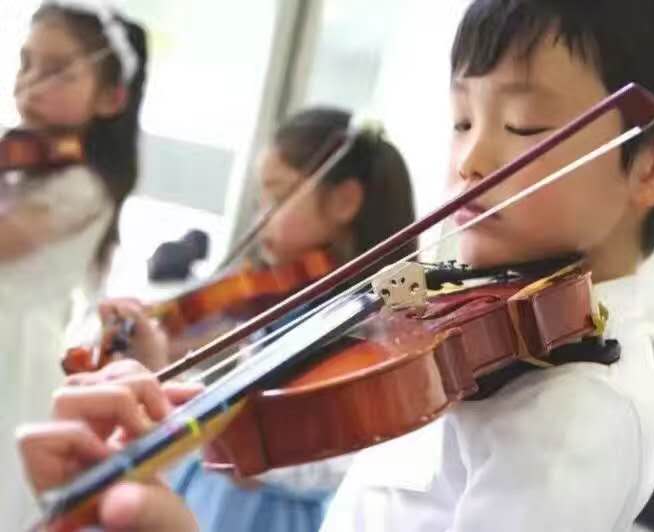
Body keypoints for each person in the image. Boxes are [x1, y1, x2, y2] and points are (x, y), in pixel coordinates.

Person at [16, 0, 654, 530]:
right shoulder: (461, 308)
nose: (470, 159)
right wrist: (183, 395)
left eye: (525, 125)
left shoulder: (579, 413)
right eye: (462, 121)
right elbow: (332, 388)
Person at [97, 107, 418, 532]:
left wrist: (210, 431)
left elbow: (329, 459)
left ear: (344, 202)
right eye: (259, 201)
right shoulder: (285, 303)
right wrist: (157, 366)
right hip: (216, 497)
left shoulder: (371, 329)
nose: (260, 218)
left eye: (277, 198)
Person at [0, 0, 147, 528]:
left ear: (111, 98)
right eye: (25, 63)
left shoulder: (83, 186)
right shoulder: (20, 165)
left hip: (13, 355)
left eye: (59, 71)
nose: (31, 84)